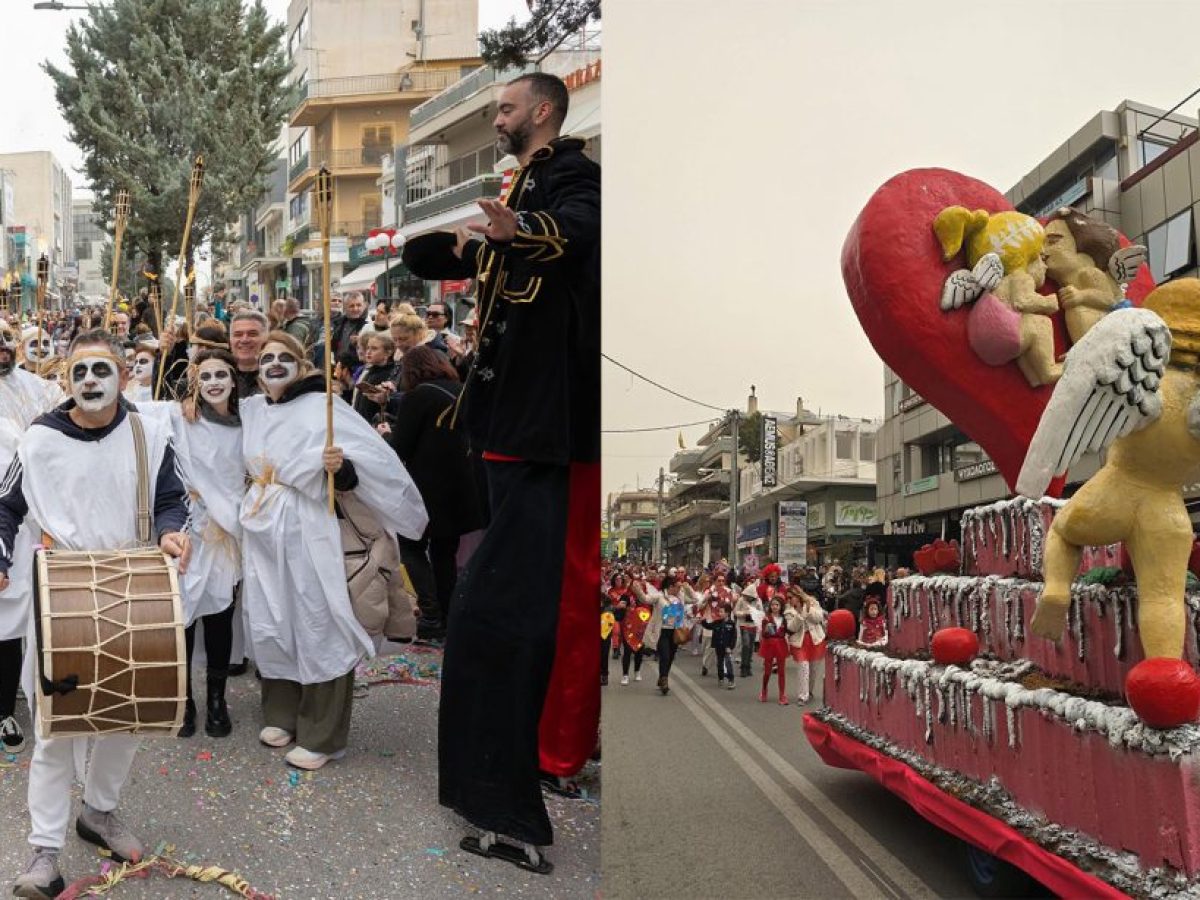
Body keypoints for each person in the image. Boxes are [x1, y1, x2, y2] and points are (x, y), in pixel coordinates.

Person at [402, 69, 599, 872]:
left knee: (503, 616)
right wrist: (462, 242)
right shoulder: (524, 185)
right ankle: (492, 796)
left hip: (539, 428)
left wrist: (520, 229)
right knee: (489, 609)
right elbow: (454, 258)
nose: (497, 116)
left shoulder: (575, 178)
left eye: (505, 106)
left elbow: (572, 235)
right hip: (505, 422)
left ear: (542, 111)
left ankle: (509, 813)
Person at [0, 329, 190, 898]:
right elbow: (5, 507)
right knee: (57, 728)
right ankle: (44, 849)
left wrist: (172, 533)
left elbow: (171, 500)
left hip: (134, 586)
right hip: (65, 593)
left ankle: (100, 813)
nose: (89, 381)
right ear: (67, 379)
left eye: (100, 371)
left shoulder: (150, 433)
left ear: (124, 376)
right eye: (79, 372)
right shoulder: (39, 439)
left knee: (124, 715)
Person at [239, 332, 427, 771]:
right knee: (272, 618)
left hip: (311, 529)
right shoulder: (253, 409)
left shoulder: (324, 408)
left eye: (284, 356)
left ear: (302, 365)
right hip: (264, 530)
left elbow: (371, 464)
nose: (273, 363)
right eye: (267, 357)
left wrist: (339, 469)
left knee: (318, 619)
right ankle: (282, 713)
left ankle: (323, 734)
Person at [141, 347, 246, 738]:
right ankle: (183, 701)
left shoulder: (247, 422)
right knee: (181, 616)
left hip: (224, 534)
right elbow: (138, 408)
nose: (214, 383)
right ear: (196, 383)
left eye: (222, 375)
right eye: (207, 377)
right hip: (185, 528)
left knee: (220, 615)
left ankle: (217, 699)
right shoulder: (179, 417)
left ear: (234, 381)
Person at [383, 346, 481, 642]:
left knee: (410, 546)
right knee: (444, 553)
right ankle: (448, 616)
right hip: (462, 485)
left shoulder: (418, 396)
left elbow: (401, 446)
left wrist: (386, 434)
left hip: (427, 489)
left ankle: (431, 613)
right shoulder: (462, 390)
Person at [0, 323, 63, 758]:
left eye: (3, 340)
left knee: (9, 615)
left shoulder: (40, 388)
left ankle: (5, 707)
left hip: (17, 520)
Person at [784, 585, 827, 705]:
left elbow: (818, 618)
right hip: (799, 641)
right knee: (803, 667)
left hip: (815, 639)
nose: (789, 600)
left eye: (790, 597)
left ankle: (809, 690)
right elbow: (791, 627)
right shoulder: (788, 610)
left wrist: (808, 609)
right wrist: (801, 614)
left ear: (798, 596)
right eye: (787, 598)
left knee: (813, 670)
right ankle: (803, 696)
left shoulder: (812, 602)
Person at [758, 597, 789, 704]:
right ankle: (764, 690)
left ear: (781, 607)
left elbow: (788, 631)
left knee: (781, 672)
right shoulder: (766, 618)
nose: (775, 607)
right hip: (769, 645)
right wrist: (766, 630)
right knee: (767, 671)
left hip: (781, 645)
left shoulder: (785, 618)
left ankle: (782, 695)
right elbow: (763, 634)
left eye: (777, 605)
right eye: (773, 605)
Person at [702, 604, 738, 689]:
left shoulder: (731, 624)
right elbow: (708, 626)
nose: (720, 613)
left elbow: (734, 637)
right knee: (720, 663)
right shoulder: (717, 622)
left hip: (727, 647)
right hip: (718, 646)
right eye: (719, 611)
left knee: (728, 663)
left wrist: (730, 647)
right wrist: (703, 620)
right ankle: (721, 677)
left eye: (721, 611)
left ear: (727, 613)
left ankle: (731, 680)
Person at [329, 292, 368, 359]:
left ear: (364, 306)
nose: (355, 309)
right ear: (345, 307)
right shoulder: (339, 323)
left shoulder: (369, 325)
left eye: (358, 305)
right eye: (351, 306)